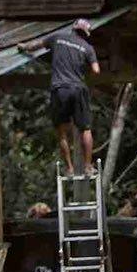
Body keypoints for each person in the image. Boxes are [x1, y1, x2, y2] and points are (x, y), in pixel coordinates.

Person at [46, 17, 100, 175]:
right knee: (86, 129)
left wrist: (23, 46)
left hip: (60, 89)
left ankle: (69, 168)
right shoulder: (87, 47)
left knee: (62, 132)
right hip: (78, 88)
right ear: (85, 33)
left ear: (73, 28)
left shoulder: (58, 38)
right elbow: (96, 70)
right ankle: (88, 167)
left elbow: (36, 45)